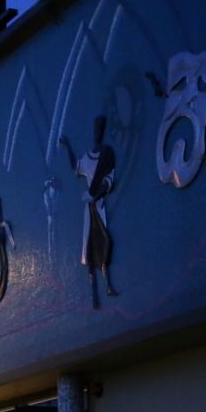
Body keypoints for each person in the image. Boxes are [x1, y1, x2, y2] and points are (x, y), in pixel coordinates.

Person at [60, 115, 119, 309]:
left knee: (105, 241)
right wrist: (68, 146)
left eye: (100, 128)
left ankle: (108, 284)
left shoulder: (108, 155)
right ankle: (94, 292)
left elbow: (109, 180)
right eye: (96, 128)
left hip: (99, 204)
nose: (98, 132)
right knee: (89, 244)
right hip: (89, 207)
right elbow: (75, 167)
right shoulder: (87, 157)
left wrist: (97, 194)